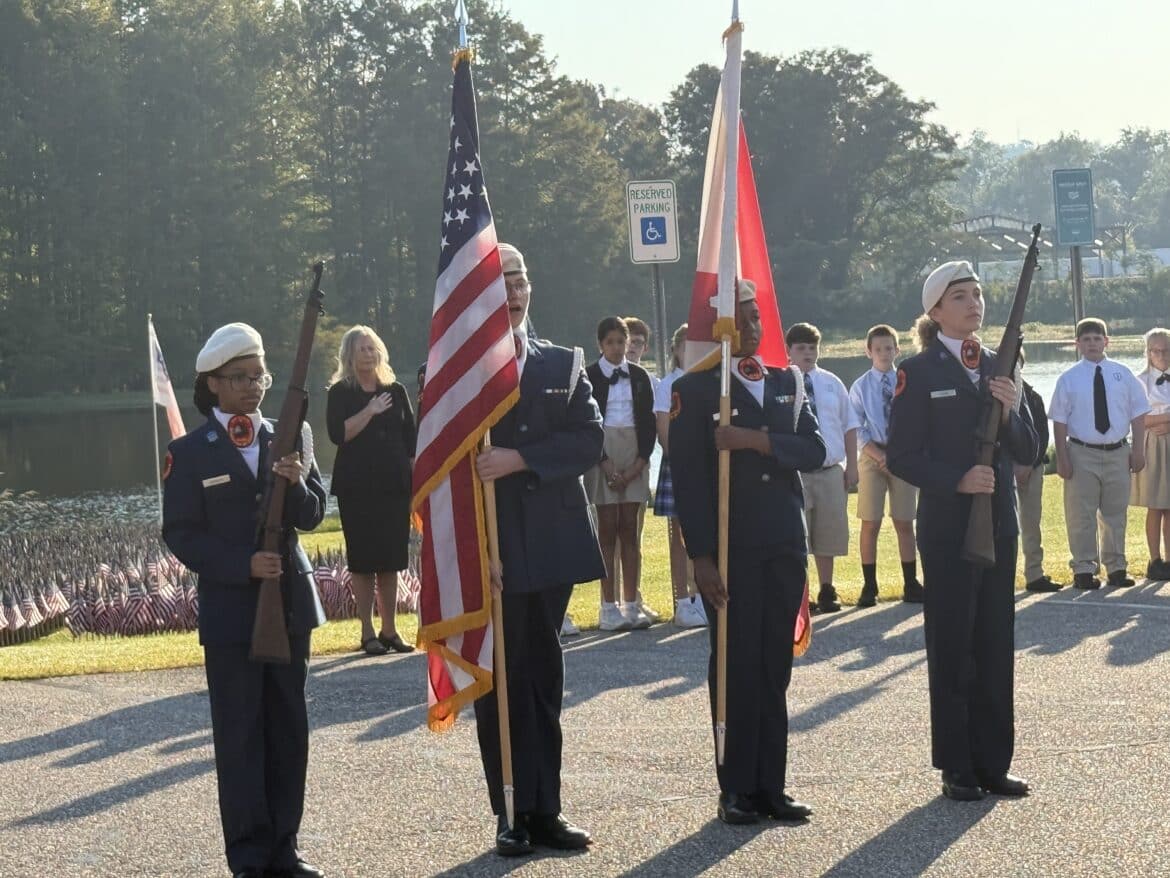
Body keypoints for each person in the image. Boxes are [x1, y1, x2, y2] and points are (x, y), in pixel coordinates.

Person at [162, 323, 327, 878]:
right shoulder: (188, 453)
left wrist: (297, 482)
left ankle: (285, 848)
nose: (254, 386)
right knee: (239, 736)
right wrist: (242, 565)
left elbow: (313, 515)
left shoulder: (290, 436)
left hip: (289, 606)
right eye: (240, 377)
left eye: (260, 376)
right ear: (213, 383)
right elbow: (181, 534)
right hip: (233, 614)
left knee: (288, 732)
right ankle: (250, 857)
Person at [670, 279, 826, 825]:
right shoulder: (695, 389)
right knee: (735, 666)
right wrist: (701, 556)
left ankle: (771, 786)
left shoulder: (787, 381)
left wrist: (757, 441)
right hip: (731, 549)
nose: (754, 326)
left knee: (773, 667)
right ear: (718, 326)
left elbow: (815, 449)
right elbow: (688, 480)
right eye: (742, 318)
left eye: (757, 316)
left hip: (782, 542)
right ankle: (735, 787)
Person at [886, 261, 1037, 802]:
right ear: (935, 310)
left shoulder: (1000, 363)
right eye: (960, 297)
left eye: (977, 294)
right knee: (953, 643)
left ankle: (993, 762)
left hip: (998, 523)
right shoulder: (918, 371)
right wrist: (957, 479)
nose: (974, 304)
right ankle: (957, 765)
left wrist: (1012, 409)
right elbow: (902, 456)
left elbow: (1029, 448)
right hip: (950, 526)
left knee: (995, 641)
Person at [473, 242, 605, 857]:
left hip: (551, 544)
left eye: (521, 279)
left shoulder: (563, 362)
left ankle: (546, 808)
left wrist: (520, 458)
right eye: (502, 281)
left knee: (544, 678)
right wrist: (477, 550)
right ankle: (510, 813)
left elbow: (589, 440)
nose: (515, 291)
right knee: (501, 682)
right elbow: (444, 473)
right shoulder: (460, 373)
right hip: (495, 551)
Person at [325, 326, 415, 656]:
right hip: (357, 489)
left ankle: (390, 630)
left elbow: (411, 440)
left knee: (391, 560)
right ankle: (367, 632)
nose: (368, 354)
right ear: (349, 355)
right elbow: (339, 434)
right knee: (363, 561)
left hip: (394, 487)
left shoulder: (396, 390)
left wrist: (415, 484)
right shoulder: (340, 393)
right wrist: (370, 410)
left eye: (372, 348)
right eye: (362, 349)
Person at [1050, 318, 1149, 589]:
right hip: (1082, 452)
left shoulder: (1123, 374)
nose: (1092, 344)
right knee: (1081, 514)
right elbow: (1059, 420)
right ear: (1077, 344)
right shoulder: (1068, 379)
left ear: (1107, 341)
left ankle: (1116, 567)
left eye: (1097, 339)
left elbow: (1138, 414)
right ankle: (1084, 567)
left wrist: (1138, 450)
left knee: (1115, 513)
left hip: (1118, 451)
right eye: (1086, 339)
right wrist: (1062, 458)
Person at [585, 317, 656, 631]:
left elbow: (649, 425)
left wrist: (637, 465)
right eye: (610, 342)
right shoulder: (589, 376)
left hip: (633, 450)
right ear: (600, 344)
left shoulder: (640, 376)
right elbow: (586, 423)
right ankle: (608, 605)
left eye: (621, 342)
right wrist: (606, 463)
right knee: (607, 528)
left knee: (630, 528)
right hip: (603, 451)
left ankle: (631, 603)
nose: (616, 348)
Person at [785, 322, 859, 613]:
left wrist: (851, 466)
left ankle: (827, 588)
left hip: (830, 471)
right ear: (789, 351)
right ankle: (801, 593)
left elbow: (849, 425)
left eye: (812, 348)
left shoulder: (831, 382)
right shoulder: (782, 382)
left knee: (828, 533)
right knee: (798, 535)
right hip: (797, 473)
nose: (808, 353)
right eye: (801, 348)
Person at [848, 325, 924, 606]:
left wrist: (902, 452)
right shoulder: (860, 386)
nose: (883, 353)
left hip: (902, 455)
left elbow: (917, 419)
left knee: (904, 520)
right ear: (868, 351)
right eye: (878, 349)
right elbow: (856, 426)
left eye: (888, 348)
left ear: (897, 350)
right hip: (872, 455)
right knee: (871, 521)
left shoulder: (906, 383)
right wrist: (878, 455)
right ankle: (869, 586)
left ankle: (911, 583)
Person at [654, 323, 705, 627]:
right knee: (680, 536)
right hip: (680, 464)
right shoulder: (667, 385)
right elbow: (664, 432)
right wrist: (684, 459)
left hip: (706, 466)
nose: (691, 351)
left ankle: (702, 596)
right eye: (686, 345)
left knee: (705, 533)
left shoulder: (706, 380)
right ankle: (682, 600)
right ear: (675, 349)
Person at [619, 315, 663, 623]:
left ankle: (633, 597)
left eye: (638, 343)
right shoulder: (603, 377)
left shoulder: (650, 381)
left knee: (634, 533)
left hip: (640, 459)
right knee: (611, 535)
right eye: (628, 341)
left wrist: (641, 461)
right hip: (611, 459)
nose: (632, 347)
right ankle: (611, 600)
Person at [1015, 348, 1061, 592]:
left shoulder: (1033, 396)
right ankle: (999, 577)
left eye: (1017, 362)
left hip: (1032, 470)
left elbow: (1042, 435)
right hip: (1001, 472)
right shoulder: (989, 395)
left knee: (1031, 524)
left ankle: (1034, 574)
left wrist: (1028, 465)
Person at [1130, 327, 1170, 581]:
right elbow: (1139, 419)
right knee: (1155, 505)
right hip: (1153, 445)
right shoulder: (1140, 381)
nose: (1162, 355)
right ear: (1148, 353)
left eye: (1166, 350)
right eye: (1157, 351)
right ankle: (1154, 560)